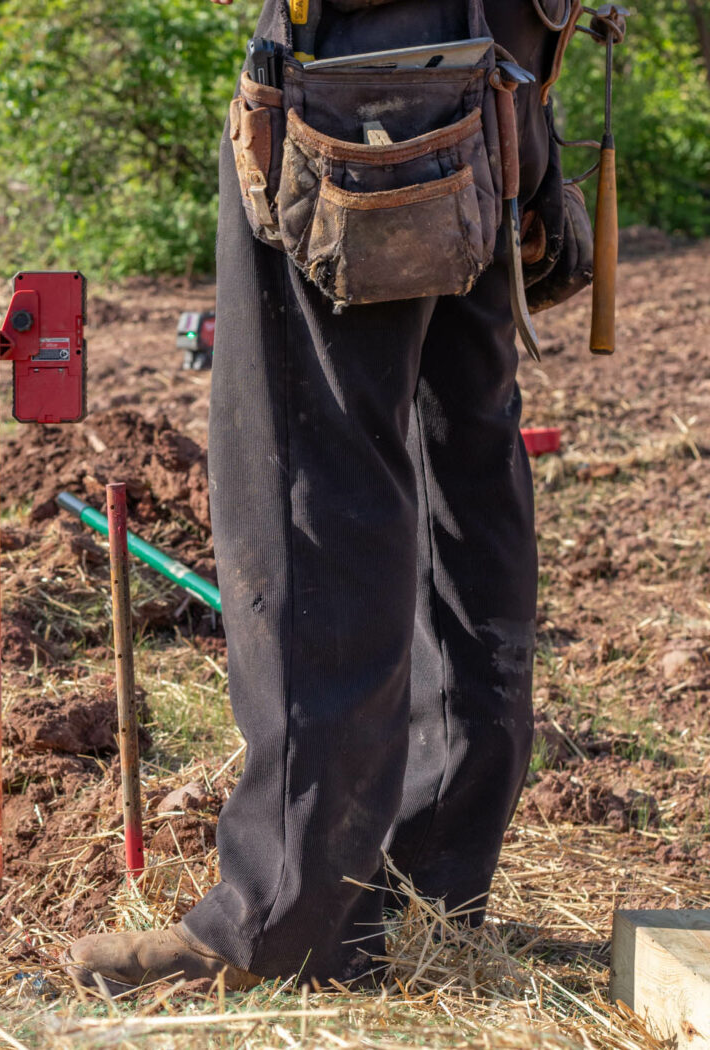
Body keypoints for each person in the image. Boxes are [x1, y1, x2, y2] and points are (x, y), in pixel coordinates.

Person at [67, 0, 590, 992]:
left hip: (359, 79)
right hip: (502, 58)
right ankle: (421, 885)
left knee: (312, 469)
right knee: (460, 457)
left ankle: (281, 922)